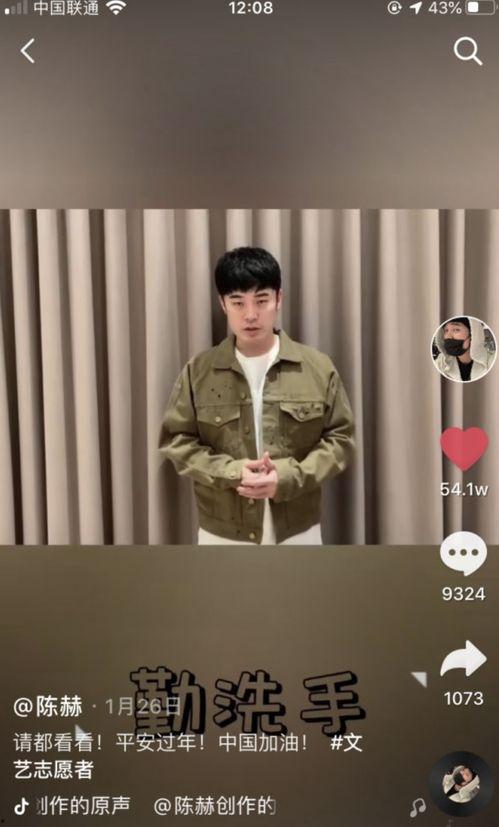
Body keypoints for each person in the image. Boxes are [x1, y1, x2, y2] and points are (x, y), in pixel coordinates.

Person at [159, 246, 355, 545]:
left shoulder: (317, 367)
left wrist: (288, 477)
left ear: (279, 299)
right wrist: (231, 471)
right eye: (238, 302)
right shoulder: (198, 372)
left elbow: (341, 440)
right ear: (223, 304)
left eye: (261, 300)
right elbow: (177, 441)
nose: (250, 315)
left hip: (298, 532)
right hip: (222, 534)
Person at [433, 316, 496, 382]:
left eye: (456, 330)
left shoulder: (491, 361)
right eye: (446, 330)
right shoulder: (440, 363)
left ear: (472, 334)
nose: (448, 336)